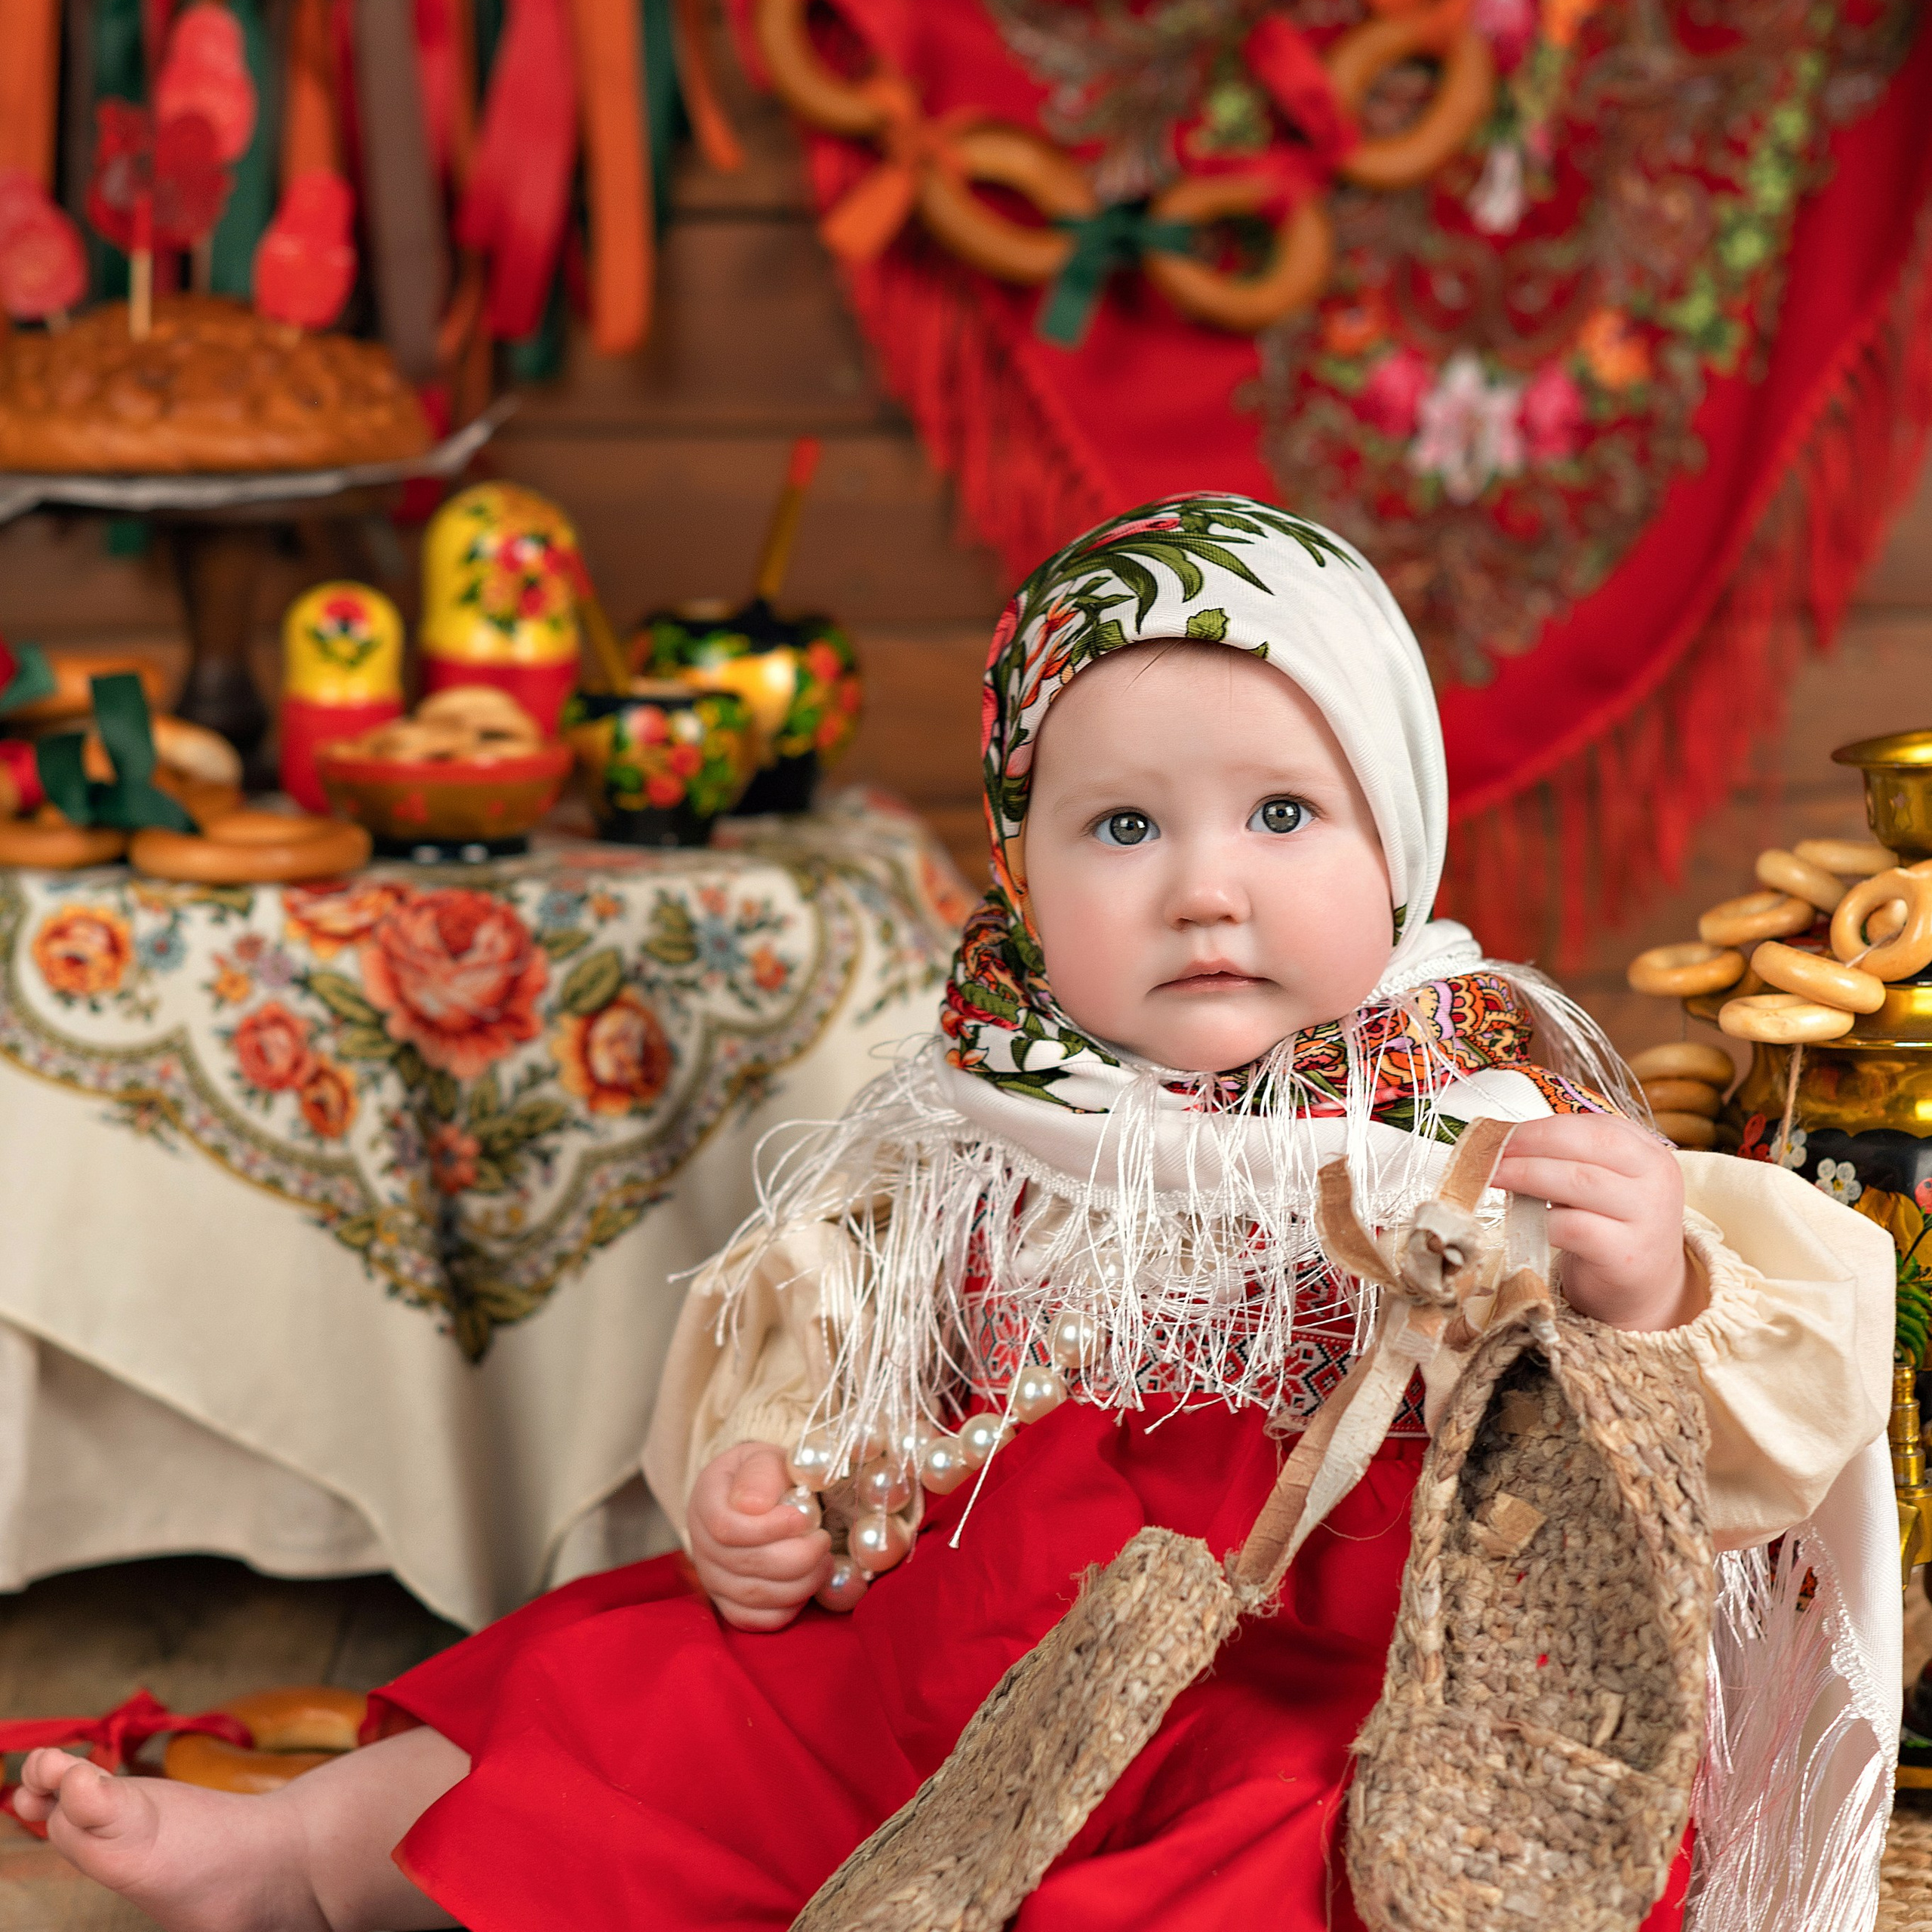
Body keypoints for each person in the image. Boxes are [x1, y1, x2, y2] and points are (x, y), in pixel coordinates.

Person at [16, 494, 1899, 1932]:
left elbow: (1699, 1453)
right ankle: (309, 1858)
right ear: (1018, 856)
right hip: (966, 1616)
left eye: (1279, 815)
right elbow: (841, 1344)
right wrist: (775, 1485)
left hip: (1331, 1662)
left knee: (1277, 1868)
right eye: (1122, 828)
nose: (1202, 893)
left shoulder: (1478, 1103)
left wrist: (1646, 1281)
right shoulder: (980, 1108)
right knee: (648, 1690)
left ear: (1395, 838)